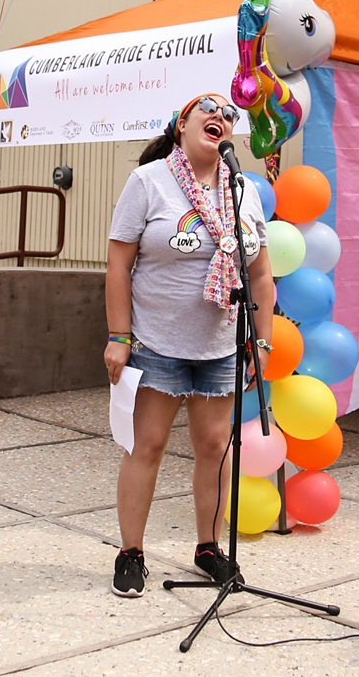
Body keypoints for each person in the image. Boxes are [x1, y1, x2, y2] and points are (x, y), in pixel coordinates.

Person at [103, 92, 274, 597]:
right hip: (156, 343)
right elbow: (118, 265)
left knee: (214, 448)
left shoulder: (243, 190)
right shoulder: (148, 182)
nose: (220, 117)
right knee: (147, 446)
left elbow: (260, 273)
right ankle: (130, 553)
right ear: (182, 125)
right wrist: (118, 336)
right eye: (209, 111)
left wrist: (260, 341)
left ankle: (208, 548)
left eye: (229, 115)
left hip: (221, 345)